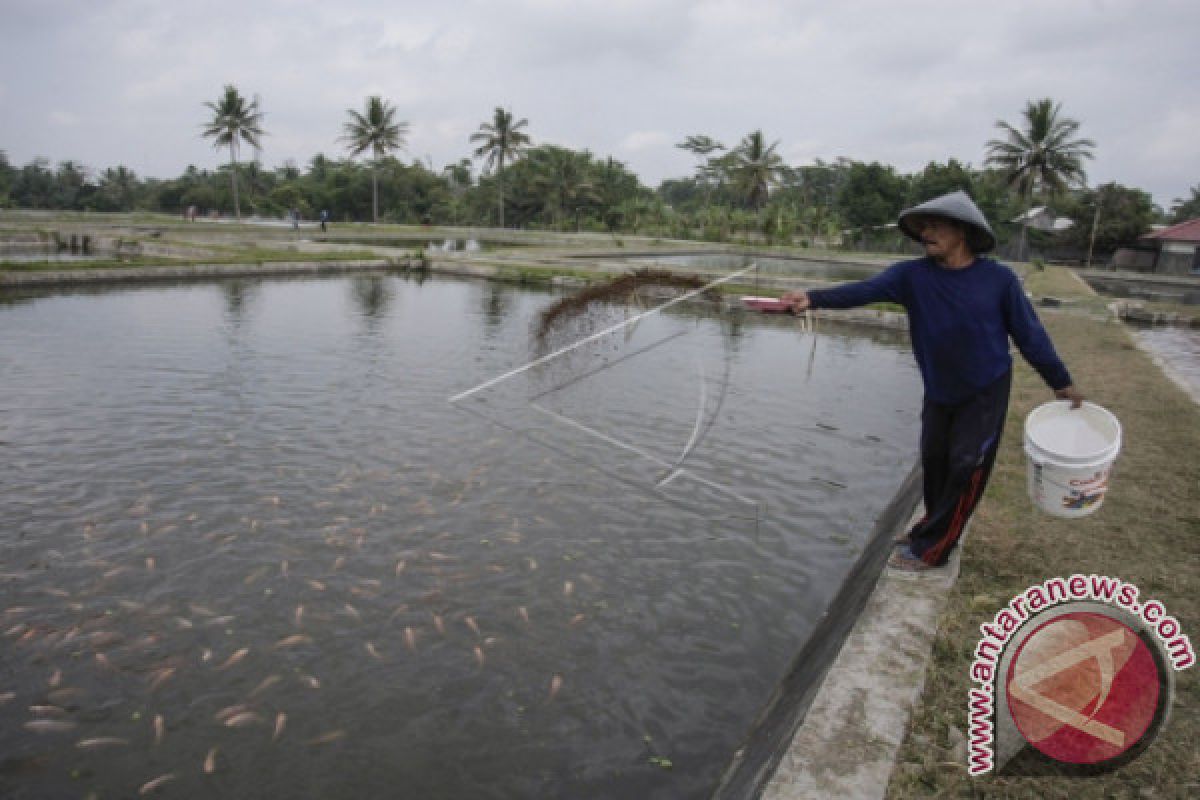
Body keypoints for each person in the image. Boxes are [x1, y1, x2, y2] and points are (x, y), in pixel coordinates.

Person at [781, 190, 1084, 573]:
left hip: (985, 388)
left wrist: (1060, 382)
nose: (927, 232)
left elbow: (1030, 336)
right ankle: (929, 526)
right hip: (940, 387)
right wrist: (812, 298)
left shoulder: (998, 280)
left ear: (962, 232)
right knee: (936, 460)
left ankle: (935, 550)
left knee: (966, 466)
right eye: (924, 226)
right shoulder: (911, 276)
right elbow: (863, 291)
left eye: (937, 225)